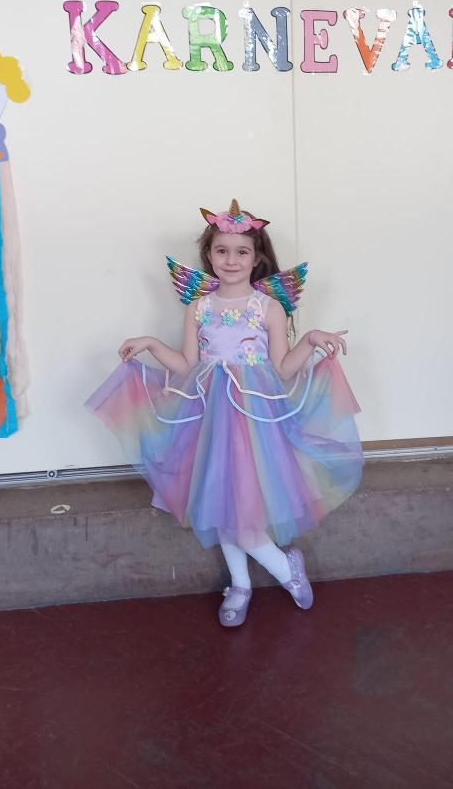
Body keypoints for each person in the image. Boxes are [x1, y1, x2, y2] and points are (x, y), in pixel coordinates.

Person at [86, 199, 363, 627]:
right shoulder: (198, 308)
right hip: (209, 414)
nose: (231, 260)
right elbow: (186, 364)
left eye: (241, 252)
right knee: (220, 500)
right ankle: (242, 583)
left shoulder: (268, 308)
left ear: (257, 258)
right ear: (209, 254)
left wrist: (309, 339)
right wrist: (152, 345)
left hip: (255, 421)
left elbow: (283, 369)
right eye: (222, 251)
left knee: (239, 504)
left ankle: (282, 569)